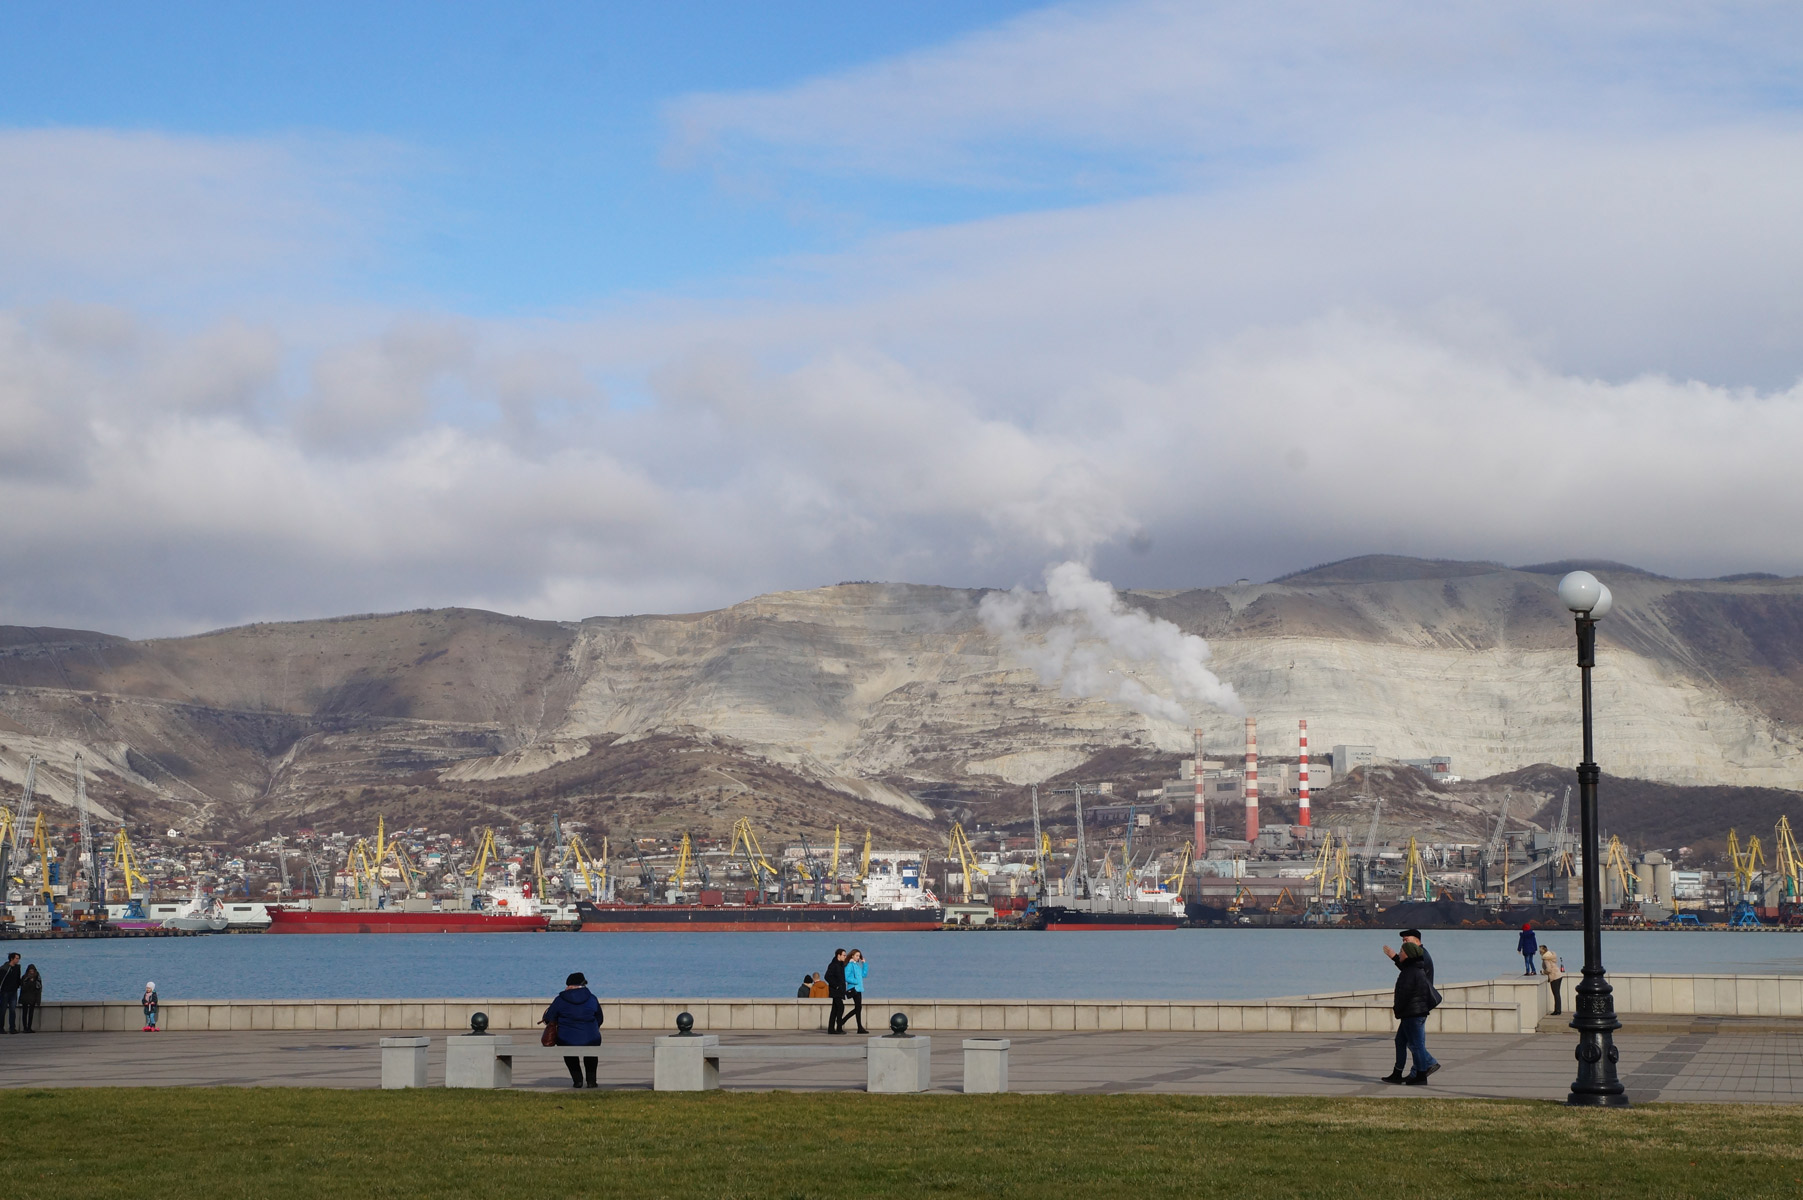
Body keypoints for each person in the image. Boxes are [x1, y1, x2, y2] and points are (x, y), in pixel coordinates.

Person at [1381, 942, 1440, 1085]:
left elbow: (1404, 994)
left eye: (1401, 951)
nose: (1399, 953)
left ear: (1407, 954)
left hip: (1412, 1014)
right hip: (1412, 1013)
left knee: (1416, 1045)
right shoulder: (1413, 968)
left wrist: (1397, 1009)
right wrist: (1394, 957)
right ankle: (1397, 1072)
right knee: (1400, 1041)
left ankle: (1421, 1075)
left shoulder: (1411, 972)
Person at [541, 971, 603, 1089]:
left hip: (566, 1038)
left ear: (568, 985)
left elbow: (549, 1018)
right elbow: (600, 1018)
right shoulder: (592, 998)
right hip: (591, 1037)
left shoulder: (560, 999)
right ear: (583, 984)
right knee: (591, 1053)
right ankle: (591, 1081)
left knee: (568, 1053)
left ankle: (577, 1081)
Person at [843, 949, 869, 1035]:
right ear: (852, 956)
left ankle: (858, 1027)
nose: (858, 957)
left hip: (859, 989)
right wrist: (856, 981)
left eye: (859, 956)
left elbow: (864, 974)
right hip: (853, 988)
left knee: (858, 1008)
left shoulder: (857, 965)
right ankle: (857, 1027)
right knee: (858, 1008)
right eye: (857, 956)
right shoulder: (850, 965)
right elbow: (846, 977)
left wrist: (864, 963)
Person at [824, 948, 849, 1034]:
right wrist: (836, 986)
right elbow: (827, 976)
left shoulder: (841, 964)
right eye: (844, 955)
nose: (845, 957)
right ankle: (839, 1028)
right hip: (835, 991)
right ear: (838, 955)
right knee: (840, 1007)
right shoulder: (833, 965)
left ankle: (831, 1029)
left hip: (840, 991)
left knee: (834, 1009)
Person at [1540, 944, 1566, 1016]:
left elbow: (1548, 969)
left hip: (1554, 976)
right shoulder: (1551, 956)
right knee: (1557, 994)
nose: (1539, 951)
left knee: (1556, 994)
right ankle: (1558, 1010)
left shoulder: (1546, 959)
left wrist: (1543, 972)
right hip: (1559, 975)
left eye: (1540, 949)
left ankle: (1557, 1010)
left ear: (1543, 951)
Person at [0, 953, 20, 1034]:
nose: (18, 960)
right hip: (5, 992)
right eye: (17, 958)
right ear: (12, 959)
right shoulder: (4, 968)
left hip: (13, 991)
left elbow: (18, 978)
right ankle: (1, 1028)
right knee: (3, 1010)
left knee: (12, 1010)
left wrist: (17, 985)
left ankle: (12, 1028)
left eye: (18, 958)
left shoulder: (17, 968)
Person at [20, 965, 42, 1034]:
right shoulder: (24, 977)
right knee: (25, 1013)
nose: (31, 972)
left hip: (33, 997)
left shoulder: (37, 978)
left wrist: (38, 999)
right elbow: (23, 988)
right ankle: (25, 1028)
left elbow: (39, 988)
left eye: (32, 971)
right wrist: (30, 982)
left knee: (31, 1013)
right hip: (25, 997)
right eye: (30, 971)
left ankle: (29, 1027)